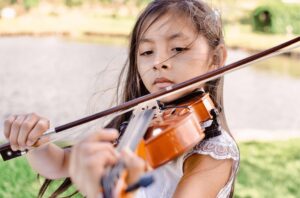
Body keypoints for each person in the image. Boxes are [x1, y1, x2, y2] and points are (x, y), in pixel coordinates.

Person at [3, 0, 240, 197]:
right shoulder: (142, 122)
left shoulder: (213, 153)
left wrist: (109, 191)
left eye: (177, 48)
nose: (159, 63)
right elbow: (61, 164)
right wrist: (36, 143)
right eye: (147, 52)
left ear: (216, 59)